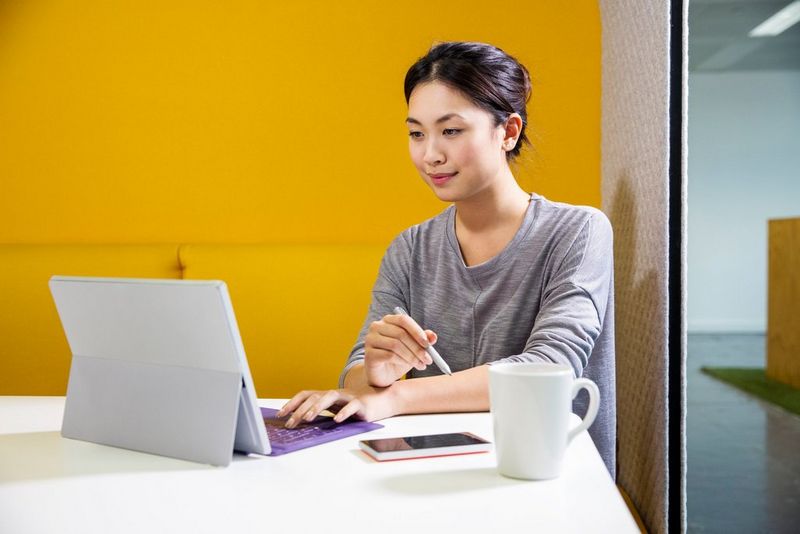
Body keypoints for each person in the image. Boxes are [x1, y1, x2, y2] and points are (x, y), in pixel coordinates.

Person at [277, 41, 616, 476]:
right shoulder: (411, 247)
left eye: (451, 131)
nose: (430, 154)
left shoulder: (577, 230)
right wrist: (379, 372)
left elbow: (550, 365)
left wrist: (398, 396)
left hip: (549, 474)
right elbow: (360, 378)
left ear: (508, 132)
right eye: (416, 133)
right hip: (432, 474)